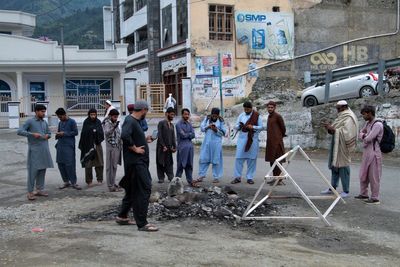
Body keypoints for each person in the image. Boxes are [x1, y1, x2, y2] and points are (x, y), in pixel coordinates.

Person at [117, 100, 158, 232]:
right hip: (136, 163)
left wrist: (144, 140)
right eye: (147, 110)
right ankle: (142, 223)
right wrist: (135, 149)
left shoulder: (134, 122)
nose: (146, 113)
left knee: (132, 189)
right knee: (144, 189)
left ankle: (122, 216)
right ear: (143, 109)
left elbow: (131, 136)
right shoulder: (130, 120)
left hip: (136, 163)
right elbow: (124, 135)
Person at [321, 100, 358, 198]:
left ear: (344, 107)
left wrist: (332, 129)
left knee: (343, 167)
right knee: (334, 166)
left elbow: (347, 132)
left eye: (338, 108)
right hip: (336, 143)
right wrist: (329, 128)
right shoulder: (341, 116)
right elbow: (335, 130)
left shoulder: (349, 117)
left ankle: (346, 190)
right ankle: (332, 187)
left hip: (343, 145)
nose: (337, 110)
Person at [17, 104, 54, 200]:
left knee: (42, 170)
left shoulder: (44, 122)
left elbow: (49, 133)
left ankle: (39, 189)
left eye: (44, 111)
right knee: (33, 171)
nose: (43, 113)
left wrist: (47, 135)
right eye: (42, 111)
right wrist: (32, 134)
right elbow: (19, 131)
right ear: (36, 111)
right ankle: (30, 192)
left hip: (44, 150)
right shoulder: (30, 121)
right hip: (34, 150)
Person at [356, 105, 384, 204]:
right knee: (363, 173)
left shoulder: (378, 125)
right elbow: (361, 134)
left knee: (374, 176)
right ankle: (363, 194)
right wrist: (363, 135)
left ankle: (375, 197)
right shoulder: (368, 123)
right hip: (367, 151)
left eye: (364, 114)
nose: (363, 116)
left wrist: (363, 135)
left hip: (374, 152)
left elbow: (368, 138)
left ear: (369, 113)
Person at [231, 101, 263, 185]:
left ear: (251, 108)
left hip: (252, 139)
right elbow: (236, 126)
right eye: (245, 109)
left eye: (248, 109)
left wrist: (253, 127)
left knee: (251, 159)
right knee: (239, 159)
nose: (246, 110)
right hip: (242, 139)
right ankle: (237, 177)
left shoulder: (257, 116)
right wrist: (239, 126)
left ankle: (250, 178)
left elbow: (261, 127)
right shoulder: (241, 115)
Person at [195, 107, 226, 185]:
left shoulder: (221, 121)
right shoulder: (207, 119)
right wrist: (208, 127)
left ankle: (216, 177)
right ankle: (201, 175)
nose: (214, 117)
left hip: (216, 143)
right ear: (211, 114)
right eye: (213, 115)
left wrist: (216, 130)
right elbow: (202, 128)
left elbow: (223, 133)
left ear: (218, 115)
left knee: (216, 160)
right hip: (207, 143)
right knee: (203, 159)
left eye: (216, 115)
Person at [55, 108, 81, 190]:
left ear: (64, 114)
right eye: (59, 117)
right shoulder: (60, 123)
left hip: (69, 146)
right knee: (60, 164)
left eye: (61, 117)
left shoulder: (72, 122)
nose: (60, 119)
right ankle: (66, 181)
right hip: (60, 146)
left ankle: (74, 182)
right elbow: (59, 132)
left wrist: (64, 133)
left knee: (70, 164)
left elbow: (75, 132)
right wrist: (58, 134)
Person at [79, 108, 104, 187]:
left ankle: (99, 179)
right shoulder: (86, 122)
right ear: (89, 115)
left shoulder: (98, 122)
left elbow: (101, 133)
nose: (93, 116)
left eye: (94, 114)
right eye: (91, 115)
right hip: (88, 146)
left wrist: (95, 131)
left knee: (99, 162)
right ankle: (89, 181)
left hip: (97, 145)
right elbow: (83, 133)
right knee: (88, 163)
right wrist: (91, 130)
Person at [265, 101, 286, 185]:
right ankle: (274, 178)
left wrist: (279, 137)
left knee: (278, 161)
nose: (270, 109)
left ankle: (279, 180)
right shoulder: (269, 117)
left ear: (274, 108)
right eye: (269, 107)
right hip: (270, 143)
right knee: (272, 161)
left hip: (277, 143)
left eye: (271, 107)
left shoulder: (278, 116)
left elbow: (283, 128)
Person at [103, 109, 122, 192]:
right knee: (109, 167)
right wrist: (113, 128)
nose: (116, 118)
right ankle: (110, 185)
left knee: (114, 167)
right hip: (110, 148)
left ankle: (113, 182)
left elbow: (118, 134)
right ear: (110, 116)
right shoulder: (107, 123)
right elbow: (107, 133)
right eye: (114, 117)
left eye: (117, 117)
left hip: (116, 147)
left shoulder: (115, 123)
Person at [156, 107, 177, 183]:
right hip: (161, 146)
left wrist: (175, 147)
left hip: (169, 147)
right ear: (167, 114)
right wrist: (163, 146)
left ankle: (171, 176)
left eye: (173, 115)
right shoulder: (161, 123)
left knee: (169, 162)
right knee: (160, 161)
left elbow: (173, 137)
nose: (172, 116)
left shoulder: (172, 125)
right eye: (171, 114)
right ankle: (161, 177)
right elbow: (160, 135)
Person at [175, 108, 195, 186]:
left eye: (188, 114)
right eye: (185, 114)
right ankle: (176, 182)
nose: (187, 116)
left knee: (189, 165)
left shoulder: (189, 124)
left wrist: (188, 134)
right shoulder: (178, 124)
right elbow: (182, 135)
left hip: (190, 147)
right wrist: (189, 134)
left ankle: (190, 181)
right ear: (182, 114)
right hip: (182, 147)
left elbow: (193, 135)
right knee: (181, 165)